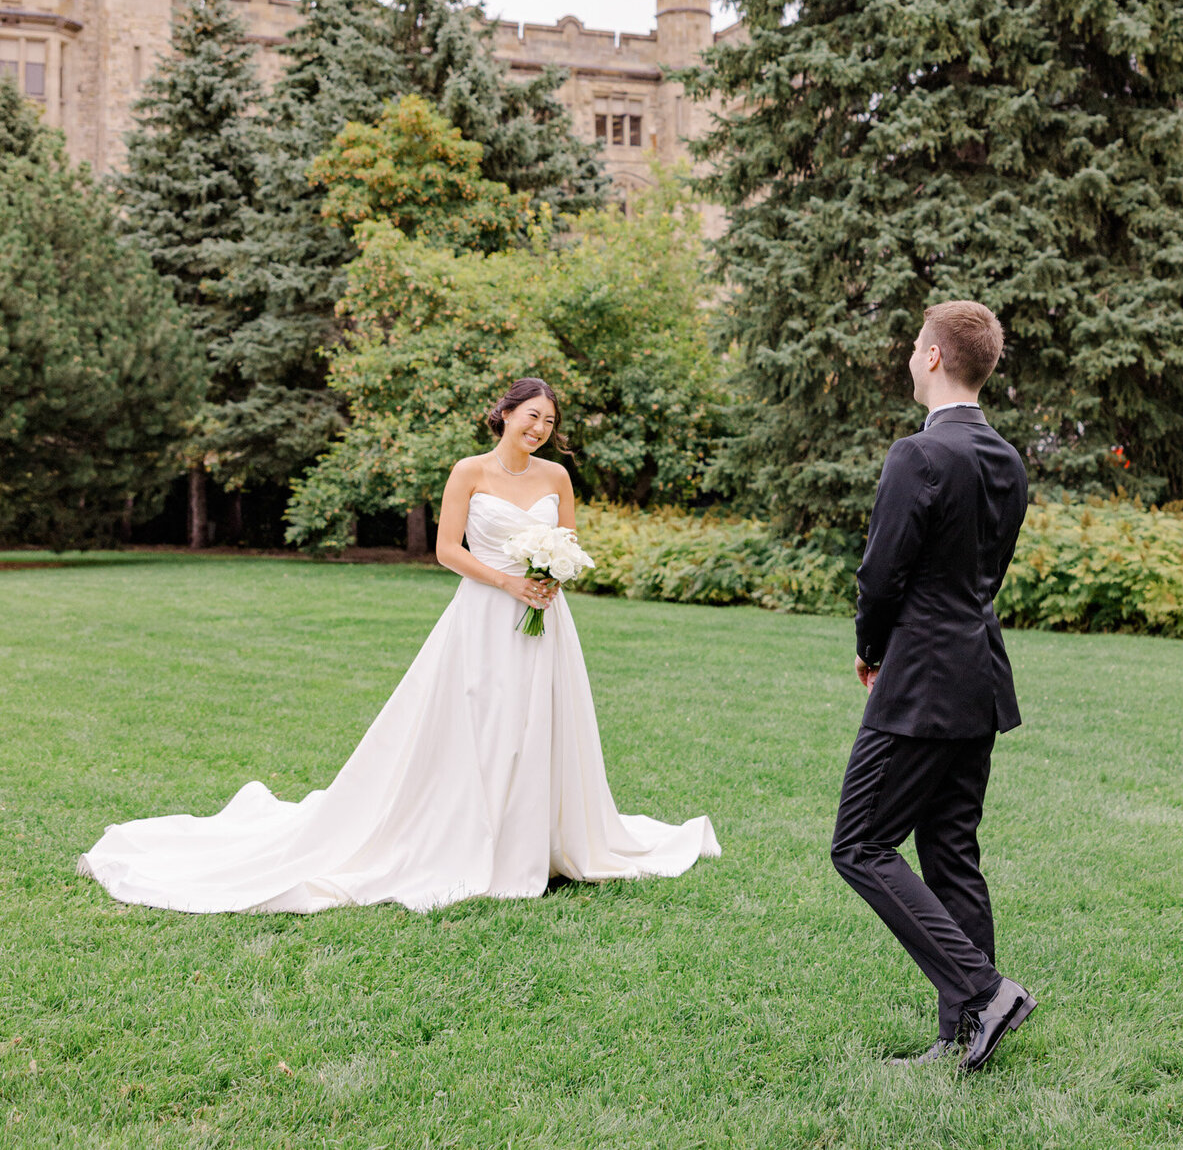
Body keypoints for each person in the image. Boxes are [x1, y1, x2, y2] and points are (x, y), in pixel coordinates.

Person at [78, 377, 719, 913]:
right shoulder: (469, 471)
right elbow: (446, 551)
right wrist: (510, 583)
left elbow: (571, 543)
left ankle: (545, 842)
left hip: (548, 620)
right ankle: (475, 840)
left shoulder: (557, 476)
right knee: (484, 725)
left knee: (543, 726)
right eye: (531, 416)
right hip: (484, 616)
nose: (541, 428)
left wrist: (553, 574)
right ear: (503, 414)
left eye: (550, 421)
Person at [830, 301, 1035, 1074]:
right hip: (978, 673)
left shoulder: (917, 455)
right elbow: (982, 574)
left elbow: (882, 575)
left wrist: (870, 647)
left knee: (859, 843)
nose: (912, 356)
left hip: (919, 677)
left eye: (918, 346)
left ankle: (985, 992)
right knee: (950, 851)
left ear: (935, 358)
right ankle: (962, 1035)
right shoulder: (1008, 460)